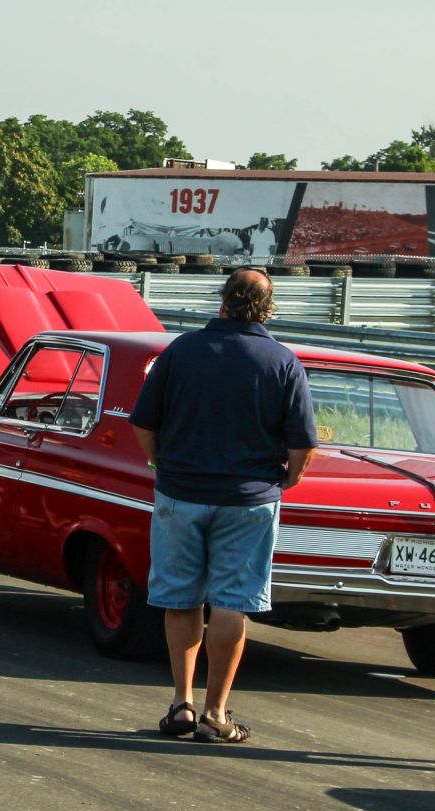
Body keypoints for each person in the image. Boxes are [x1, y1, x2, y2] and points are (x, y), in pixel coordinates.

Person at [128, 269, 316, 744]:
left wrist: (160, 460)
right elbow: (302, 444)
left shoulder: (183, 351)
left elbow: (143, 421)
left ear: (223, 301)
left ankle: (180, 704)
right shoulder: (282, 361)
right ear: (267, 307)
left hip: (181, 492)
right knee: (232, 602)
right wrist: (286, 480)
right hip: (248, 500)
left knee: (180, 598)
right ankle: (216, 713)